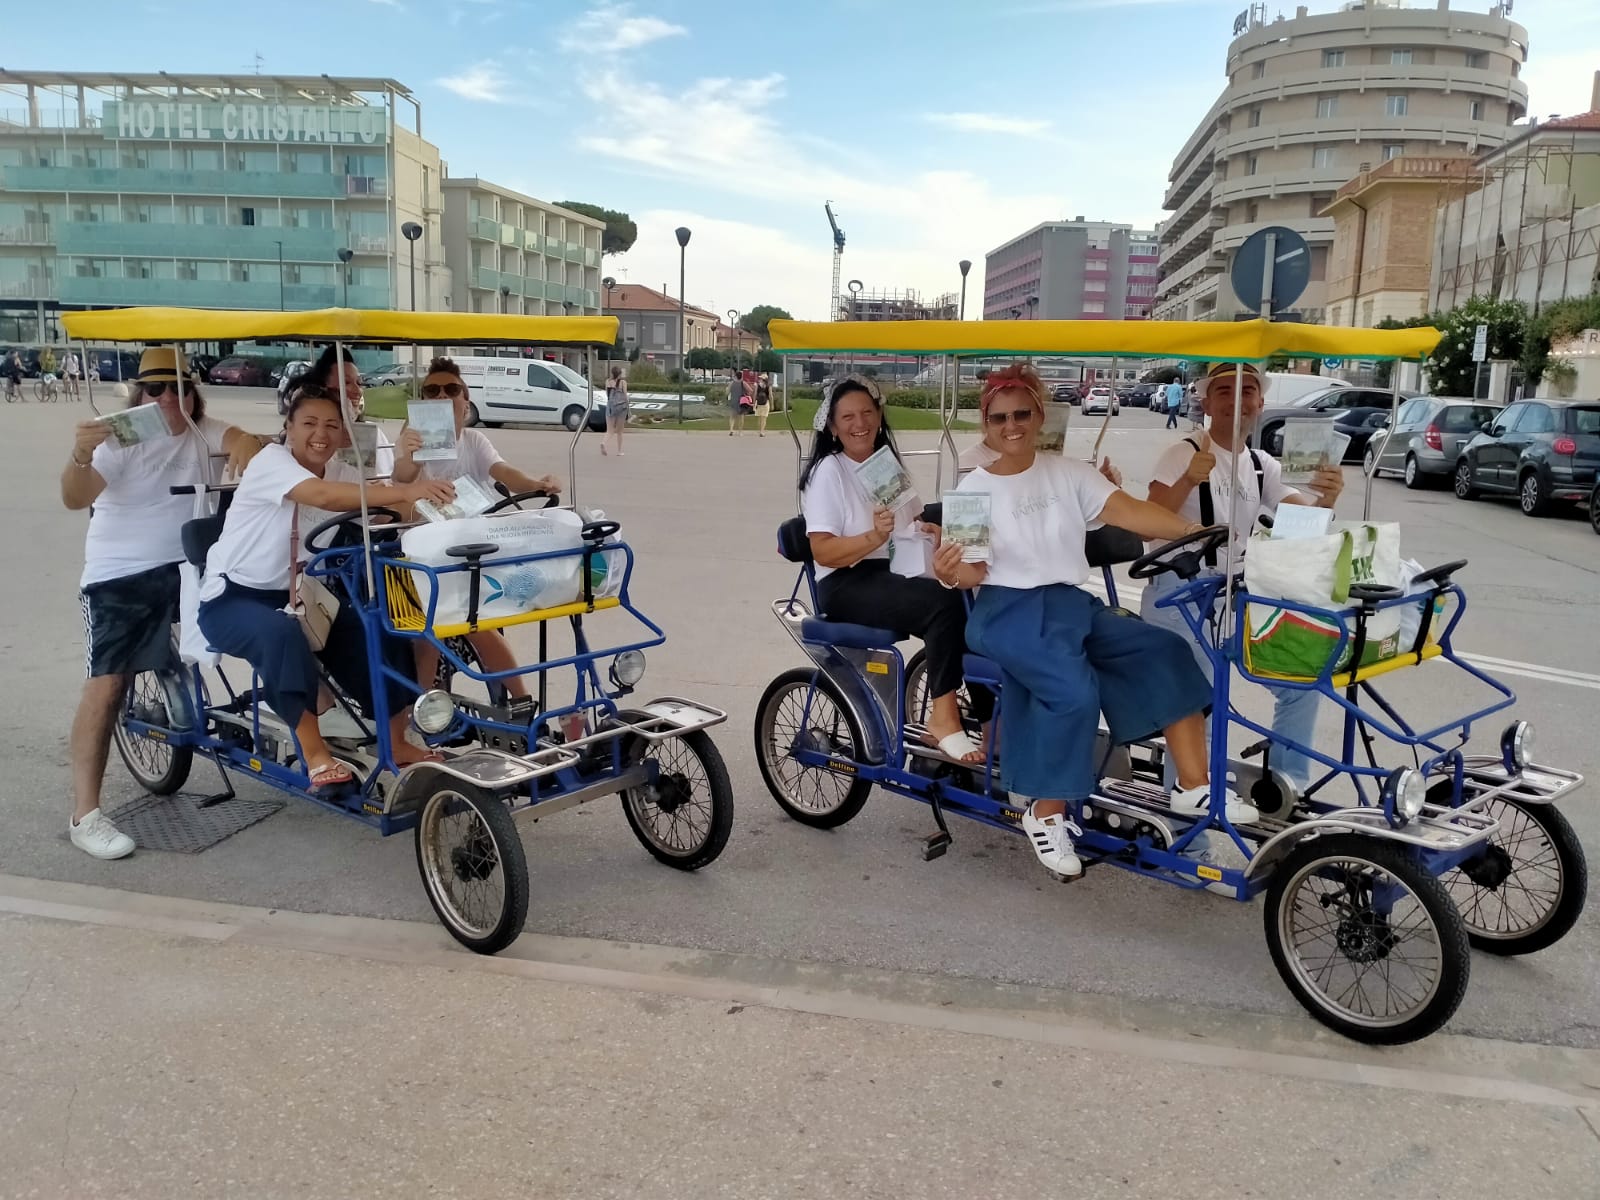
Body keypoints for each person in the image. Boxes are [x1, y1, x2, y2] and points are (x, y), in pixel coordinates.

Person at [933, 363, 1257, 880]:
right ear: (986, 425)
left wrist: (1197, 530)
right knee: (1073, 691)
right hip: (1006, 611)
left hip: (1068, 604)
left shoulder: (1070, 473)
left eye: (1021, 413)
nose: (1011, 426)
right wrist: (949, 574)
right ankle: (1046, 812)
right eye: (999, 418)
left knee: (1164, 650)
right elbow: (972, 571)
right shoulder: (971, 491)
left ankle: (1194, 787)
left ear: (1040, 414)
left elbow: (1131, 512)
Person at [61, 349, 270, 859]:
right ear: (139, 394)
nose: (167, 398)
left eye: (178, 387)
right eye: (155, 389)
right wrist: (81, 455)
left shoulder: (203, 431)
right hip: (122, 574)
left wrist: (248, 443)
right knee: (108, 682)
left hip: (191, 569)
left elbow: (239, 439)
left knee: (277, 616)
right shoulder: (123, 435)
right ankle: (85, 814)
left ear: (194, 392)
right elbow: (74, 495)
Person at [198, 389, 456, 791]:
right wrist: (406, 491)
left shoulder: (341, 472)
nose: (321, 433)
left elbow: (386, 510)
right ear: (288, 428)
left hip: (301, 597)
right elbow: (321, 496)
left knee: (378, 625)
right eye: (310, 423)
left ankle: (396, 741)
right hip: (234, 598)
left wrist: (450, 507)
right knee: (280, 634)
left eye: (332, 426)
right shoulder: (271, 461)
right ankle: (315, 753)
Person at [1140, 361, 1344, 791]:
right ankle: (1188, 816)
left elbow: (1296, 523)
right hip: (1179, 595)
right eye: (1224, 391)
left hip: (1235, 594)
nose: (1237, 400)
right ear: (1206, 401)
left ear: (1261, 402)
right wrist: (1187, 479)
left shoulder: (1259, 462)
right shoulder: (1184, 451)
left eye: (1247, 390)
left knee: (1301, 686)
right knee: (1204, 702)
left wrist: (1327, 499)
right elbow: (1147, 523)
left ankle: (1286, 792)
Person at [802, 375, 984, 763]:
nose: (859, 423)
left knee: (974, 598)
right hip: (845, 579)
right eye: (847, 417)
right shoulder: (827, 473)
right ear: (833, 427)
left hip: (893, 567)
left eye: (867, 413)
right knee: (942, 603)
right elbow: (824, 552)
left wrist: (930, 531)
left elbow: (910, 523)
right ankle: (944, 718)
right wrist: (873, 536)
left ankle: (992, 725)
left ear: (880, 415)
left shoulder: (882, 464)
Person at [393, 357, 563, 700]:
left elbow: (502, 471)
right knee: (440, 627)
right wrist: (411, 454)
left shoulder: (473, 440)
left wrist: (536, 483)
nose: (441, 395)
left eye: (451, 389)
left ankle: (514, 702)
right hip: (426, 549)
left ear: (465, 401)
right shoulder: (410, 439)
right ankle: (427, 712)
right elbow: (401, 479)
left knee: (481, 618)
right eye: (432, 390)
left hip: (470, 547)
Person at [602, 364, 629, 457]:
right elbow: (625, 395)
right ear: (619, 374)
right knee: (620, 431)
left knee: (609, 430)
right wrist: (628, 406)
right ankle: (619, 451)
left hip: (610, 407)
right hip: (621, 408)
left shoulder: (607, 382)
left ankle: (604, 443)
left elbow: (607, 394)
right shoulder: (623, 383)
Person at [727, 370, 747, 436]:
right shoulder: (743, 383)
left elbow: (727, 392)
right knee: (741, 417)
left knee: (732, 417)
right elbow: (750, 390)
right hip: (741, 402)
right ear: (741, 376)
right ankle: (740, 432)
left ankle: (731, 430)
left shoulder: (731, 383)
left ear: (736, 376)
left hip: (733, 401)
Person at [753, 371, 772, 436]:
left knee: (759, 417)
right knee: (764, 418)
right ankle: (762, 431)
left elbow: (755, 394)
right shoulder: (768, 386)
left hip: (759, 403)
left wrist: (754, 402)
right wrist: (772, 404)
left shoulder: (757, 385)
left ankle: (759, 430)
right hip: (765, 402)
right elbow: (770, 396)